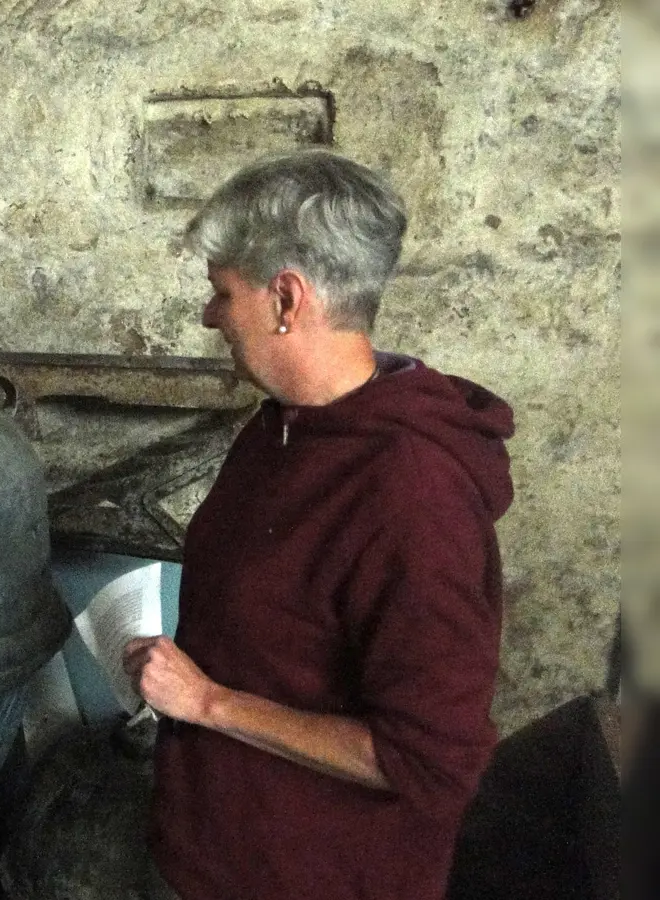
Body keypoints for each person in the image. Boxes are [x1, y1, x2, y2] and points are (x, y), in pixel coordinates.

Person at [122, 149, 515, 900]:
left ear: (287, 299)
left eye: (221, 292)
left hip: (315, 874)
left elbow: (430, 762)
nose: (211, 316)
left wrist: (208, 703)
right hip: (222, 849)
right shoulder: (287, 426)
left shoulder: (410, 493)